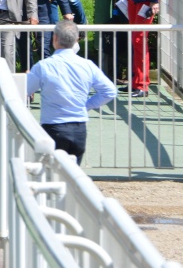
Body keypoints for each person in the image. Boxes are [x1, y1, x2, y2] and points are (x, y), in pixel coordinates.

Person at [26, 20, 117, 165]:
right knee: (73, 175)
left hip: (53, 127)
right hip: (79, 128)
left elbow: (25, 89)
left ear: (55, 38)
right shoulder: (88, 65)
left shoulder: (43, 66)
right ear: (76, 40)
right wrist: (87, 105)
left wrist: (26, 76)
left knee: (52, 174)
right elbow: (110, 92)